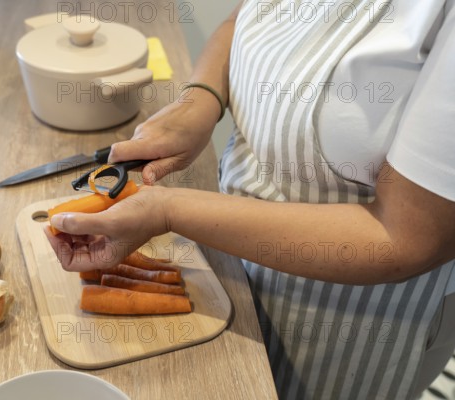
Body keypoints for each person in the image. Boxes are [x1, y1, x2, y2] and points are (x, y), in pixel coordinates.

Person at [45, 1, 455, 398]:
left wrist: (168, 209)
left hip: (349, 319)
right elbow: (246, 18)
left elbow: (406, 238)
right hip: (230, 263)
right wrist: (200, 101)